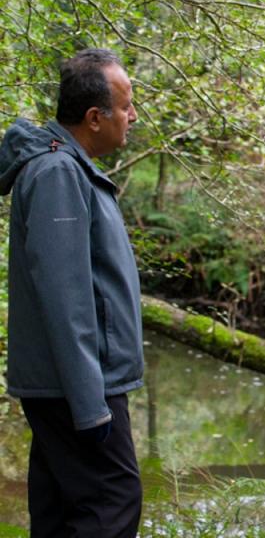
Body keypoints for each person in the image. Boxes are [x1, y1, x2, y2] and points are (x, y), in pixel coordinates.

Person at [0, 48, 143, 537]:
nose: (133, 116)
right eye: (126, 107)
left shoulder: (66, 167)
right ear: (94, 117)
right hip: (80, 385)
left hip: (69, 383)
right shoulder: (60, 174)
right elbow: (66, 299)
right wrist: (91, 404)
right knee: (113, 503)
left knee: (61, 507)